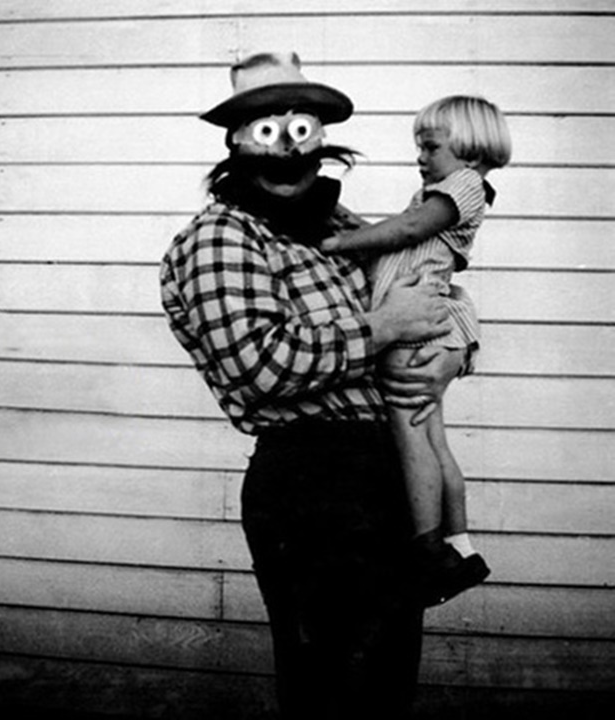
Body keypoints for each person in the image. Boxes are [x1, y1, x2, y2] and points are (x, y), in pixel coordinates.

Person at [160, 52, 473, 720]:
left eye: (300, 129)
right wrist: (384, 328)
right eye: (265, 131)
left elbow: (436, 288)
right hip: (312, 484)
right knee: (335, 692)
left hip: (391, 470)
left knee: (385, 686)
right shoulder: (221, 238)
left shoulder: (345, 229)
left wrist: (457, 352)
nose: (286, 150)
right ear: (237, 143)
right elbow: (259, 367)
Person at [321, 95, 512, 606]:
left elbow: (405, 230)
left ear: (471, 149)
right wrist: (353, 227)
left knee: (411, 437)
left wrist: (339, 245)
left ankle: (426, 548)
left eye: (430, 146)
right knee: (432, 439)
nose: (420, 157)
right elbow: (399, 238)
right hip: (421, 330)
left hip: (411, 335)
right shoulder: (443, 192)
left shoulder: (463, 187)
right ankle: (459, 543)